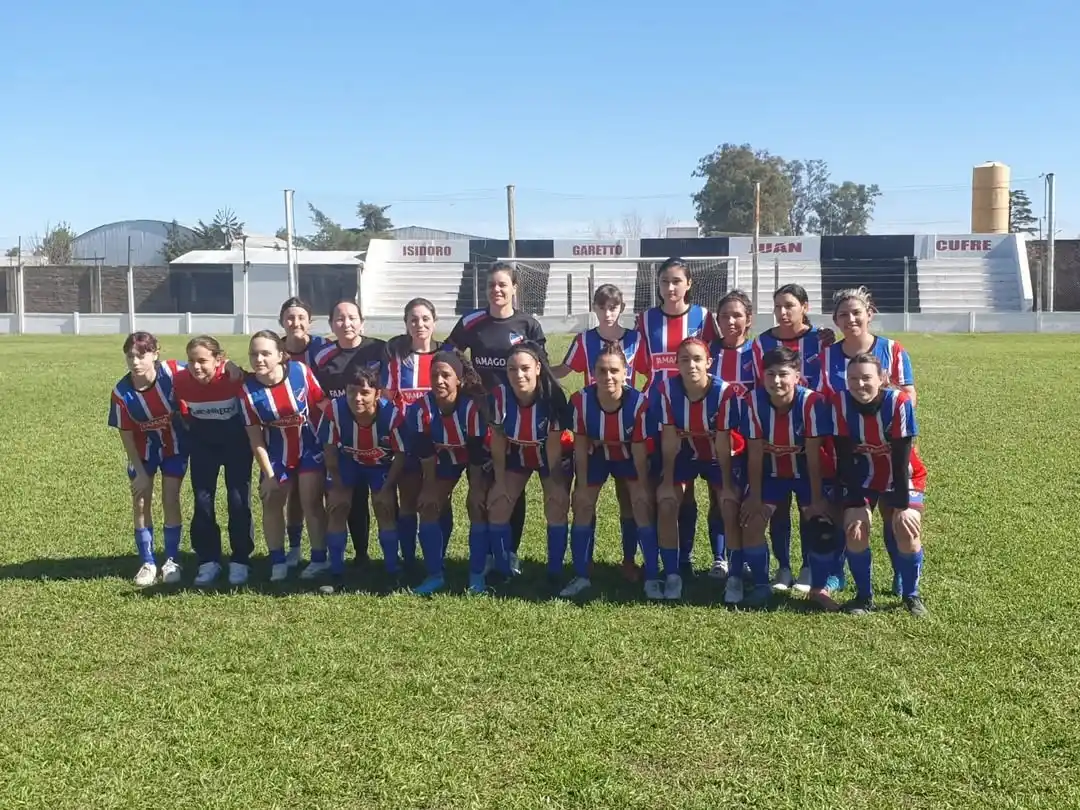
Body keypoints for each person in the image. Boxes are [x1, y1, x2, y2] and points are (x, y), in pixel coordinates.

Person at [446, 262, 546, 573]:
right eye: (491, 285)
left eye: (503, 284)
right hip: (481, 416)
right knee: (483, 483)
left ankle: (509, 551)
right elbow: (449, 355)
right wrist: (467, 381)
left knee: (512, 485)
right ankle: (487, 553)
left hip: (517, 419)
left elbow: (538, 368)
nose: (497, 290)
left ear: (515, 288)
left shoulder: (528, 325)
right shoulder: (472, 321)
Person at [821, 286, 917, 594]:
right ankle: (838, 573)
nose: (851, 319)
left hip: (890, 449)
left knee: (895, 514)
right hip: (842, 449)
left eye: (856, 313)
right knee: (847, 516)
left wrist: (896, 444)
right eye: (843, 315)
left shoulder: (892, 350)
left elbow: (907, 398)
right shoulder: (825, 356)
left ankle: (901, 574)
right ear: (835, 320)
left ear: (869, 314)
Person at [555, 283, 644, 580]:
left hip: (627, 434)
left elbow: (653, 373)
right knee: (585, 498)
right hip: (591, 432)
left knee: (628, 499)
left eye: (613, 307)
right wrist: (532, 366)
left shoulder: (635, 340)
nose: (608, 313)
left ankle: (629, 559)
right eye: (602, 307)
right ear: (594, 308)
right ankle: (585, 561)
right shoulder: (584, 340)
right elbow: (565, 371)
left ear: (621, 308)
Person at [635, 258, 717, 578]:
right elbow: (635, 360)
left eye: (676, 281)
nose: (670, 288)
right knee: (666, 486)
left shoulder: (703, 318)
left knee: (694, 490)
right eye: (665, 281)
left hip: (697, 410)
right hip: (658, 411)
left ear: (689, 284)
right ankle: (660, 555)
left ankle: (689, 556)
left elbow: (726, 349)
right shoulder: (645, 320)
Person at [751, 283, 834, 593]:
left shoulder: (820, 339)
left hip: (814, 431)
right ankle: (783, 566)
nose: (783, 312)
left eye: (789, 305)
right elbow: (756, 384)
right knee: (779, 508)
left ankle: (810, 566)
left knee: (810, 507)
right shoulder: (761, 342)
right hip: (775, 432)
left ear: (804, 307)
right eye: (778, 306)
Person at [832, 353, 928, 617]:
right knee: (855, 528)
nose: (859, 384)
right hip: (862, 476)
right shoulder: (840, 403)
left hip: (903, 474)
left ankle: (911, 595)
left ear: (882, 379)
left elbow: (901, 456)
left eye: (866, 378)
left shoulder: (898, 402)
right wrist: (855, 502)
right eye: (853, 378)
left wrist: (902, 505)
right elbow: (844, 456)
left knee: (907, 527)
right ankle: (864, 597)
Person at [739, 346, 835, 609]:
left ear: (797, 375)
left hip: (806, 473)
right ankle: (762, 584)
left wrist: (816, 500)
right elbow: (755, 455)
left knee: (821, 522)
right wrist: (755, 497)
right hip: (772, 473)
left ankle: (821, 583)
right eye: (770, 374)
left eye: (783, 374)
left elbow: (814, 457)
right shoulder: (752, 402)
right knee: (752, 523)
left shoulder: (811, 402)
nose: (777, 381)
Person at [654, 337, 743, 601]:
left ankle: (734, 575)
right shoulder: (667, 390)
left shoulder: (723, 392)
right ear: (676, 364)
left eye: (697, 359)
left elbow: (723, 443)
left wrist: (727, 485)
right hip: (684, 455)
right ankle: (672, 574)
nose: (691, 365)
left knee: (728, 503)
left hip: (717, 456)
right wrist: (668, 481)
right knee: (668, 502)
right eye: (684, 359)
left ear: (709, 363)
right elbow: (669, 441)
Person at [566, 343, 657, 599]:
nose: (608, 376)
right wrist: (581, 485)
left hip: (628, 456)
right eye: (602, 370)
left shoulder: (638, 403)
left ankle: (645, 573)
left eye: (614, 370)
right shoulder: (581, 401)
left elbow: (639, 451)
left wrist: (641, 485)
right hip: (597, 456)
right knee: (583, 504)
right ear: (593, 372)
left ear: (626, 372)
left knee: (638, 503)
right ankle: (582, 573)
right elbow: (581, 446)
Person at [240, 330, 328, 583]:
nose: (259, 359)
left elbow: (321, 407)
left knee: (311, 501)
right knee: (272, 499)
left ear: (281, 355)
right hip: (276, 452)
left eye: (266, 353)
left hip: (310, 447)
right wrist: (268, 475)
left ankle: (319, 558)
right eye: (254, 354)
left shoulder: (300, 372)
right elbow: (255, 439)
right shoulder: (247, 391)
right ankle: (278, 560)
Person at [485, 342, 572, 594]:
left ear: (537, 369)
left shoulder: (552, 396)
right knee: (499, 504)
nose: (519, 375)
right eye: (512, 369)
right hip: (517, 454)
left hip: (549, 455)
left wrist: (556, 485)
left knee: (556, 506)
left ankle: (555, 572)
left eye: (525, 368)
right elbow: (499, 442)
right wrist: (500, 482)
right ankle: (503, 570)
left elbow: (554, 447)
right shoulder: (500, 396)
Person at [405, 350, 491, 594]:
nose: (439, 381)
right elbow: (426, 455)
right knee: (429, 504)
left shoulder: (472, 409)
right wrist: (430, 489)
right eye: (434, 375)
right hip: (445, 460)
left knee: (477, 505)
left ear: (459, 380)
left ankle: (477, 574)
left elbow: (477, 455)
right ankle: (435, 574)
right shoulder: (421, 410)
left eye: (446, 375)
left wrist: (476, 490)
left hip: (477, 460)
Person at [172, 335, 254, 587]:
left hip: (236, 444)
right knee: (202, 499)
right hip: (203, 444)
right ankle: (208, 560)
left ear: (218, 360)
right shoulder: (181, 380)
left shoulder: (233, 378)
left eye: (203, 361)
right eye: (192, 361)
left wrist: (234, 367)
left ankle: (240, 559)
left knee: (238, 499)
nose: (196, 367)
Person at [108, 331, 188, 587]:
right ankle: (148, 562)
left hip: (174, 446)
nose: (135, 361)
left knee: (170, 498)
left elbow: (204, 368)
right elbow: (126, 435)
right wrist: (140, 472)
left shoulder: (173, 372)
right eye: (130, 356)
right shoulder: (121, 392)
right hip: (141, 452)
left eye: (142, 355)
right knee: (141, 502)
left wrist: (228, 368)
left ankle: (172, 560)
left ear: (155, 354)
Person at [319, 366, 409, 587]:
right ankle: (337, 570)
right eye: (351, 391)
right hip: (347, 462)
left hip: (380, 465)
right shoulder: (334, 411)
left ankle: (391, 568)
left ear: (377, 394)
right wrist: (337, 483)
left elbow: (400, 455)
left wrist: (388, 486)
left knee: (384, 505)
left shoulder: (392, 415)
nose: (357, 398)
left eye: (364, 393)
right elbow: (329, 450)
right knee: (338, 505)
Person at [311, 299, 386, 567]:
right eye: (340, 319)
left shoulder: (379, 349)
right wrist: (333, 414)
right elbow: (315, 391)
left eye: (352, 318)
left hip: (374, 433)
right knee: (346, 496)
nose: (347, 323)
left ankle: (378, 556)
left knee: (379, 496)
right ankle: (348, 558)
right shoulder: (322, 356)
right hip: (339, 435)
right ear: (331, 324)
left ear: (362, 322)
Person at [382, 297, 445, 572]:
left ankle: (438, 556)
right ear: (406, 324)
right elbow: (385, 395)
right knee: (407, 499)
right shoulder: (396, 357)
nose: (420, 324)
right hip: (405, 440)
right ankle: (408, 559)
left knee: (439, 500)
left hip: (441, 440)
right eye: (413, 319)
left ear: (434, 321)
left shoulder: (446, 355)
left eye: (425, 319)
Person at [705, 289, 757, 580]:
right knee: (720, 497)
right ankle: (719, 558)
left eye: (737, 315)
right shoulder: (708, 352)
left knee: (748, 498)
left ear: (748, 319)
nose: (730, 321)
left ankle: (746, 555)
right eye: (724, 315)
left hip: (751, 438)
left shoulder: (757, 352)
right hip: (717, 438)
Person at [279, 296, 331, 564]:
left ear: (310, 322)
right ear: (281, 322)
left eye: (301, 317)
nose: (295, 322)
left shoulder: (323, 347)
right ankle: (295, 548)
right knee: (292, 496)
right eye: (290, 317)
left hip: (318, 432)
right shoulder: (274, 349)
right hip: (285, 434)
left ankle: (322, 553)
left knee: (312, 495)